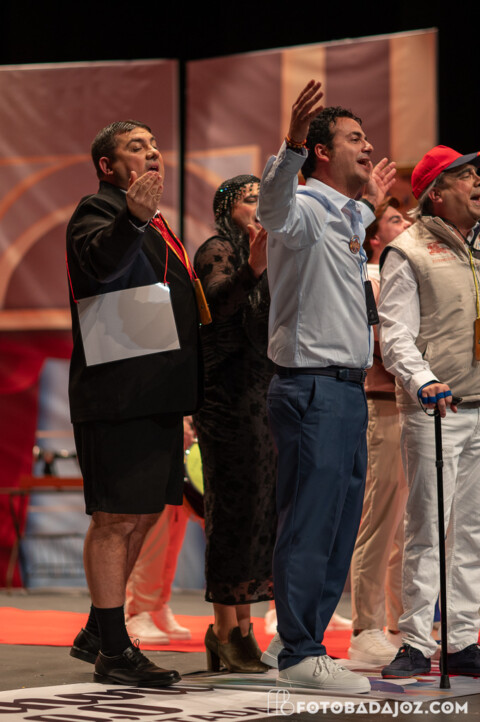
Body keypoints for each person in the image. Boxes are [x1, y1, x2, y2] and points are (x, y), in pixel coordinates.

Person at [257, 80, 396, 692]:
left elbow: (354, 217)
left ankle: (297, 638)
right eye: (355, 138)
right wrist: (289, 143)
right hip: (311, 386)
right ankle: (299, 651)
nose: (368, 147)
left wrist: (371, 202)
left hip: (344, 388)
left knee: (337, 524)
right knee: (311, 522)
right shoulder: (303, 209)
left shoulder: (345, 215)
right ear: (320, 151)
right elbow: (271, 208)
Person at [66, 121, 201, 686]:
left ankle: (98, 628)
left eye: (154, 145)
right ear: (107, 165)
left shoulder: (154, 222)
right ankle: (114, 651)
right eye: (136, 147)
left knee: (145, 513)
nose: (152, 153)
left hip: (158, 389)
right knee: (115, 517)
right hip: (117, 391)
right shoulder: (97, 211)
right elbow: (100, 266)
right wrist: (134, 220)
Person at [379, 145, 480, 678]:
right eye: (464, 176)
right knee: (427, 527)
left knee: (471, 531)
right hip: (435, 409)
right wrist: (424, 383)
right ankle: (416, 642)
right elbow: (395, 335)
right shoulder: (408, 249)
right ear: (435, 193)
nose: (477, 182)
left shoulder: (479, 246)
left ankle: (462, 641)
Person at [193, 174, 276, 674]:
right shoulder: (217, 249)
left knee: (258, 514)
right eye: (249, 199)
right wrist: (254, 268)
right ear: (227, 210)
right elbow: (217, 306)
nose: (259, 206)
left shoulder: (266, 252)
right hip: (225, 398)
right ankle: (224, 629)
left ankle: (244, 629)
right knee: (231, 512)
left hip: (262, 393)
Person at [348, 198, 411, 666]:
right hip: (383, 403)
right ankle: (365, 625)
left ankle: (401, 621)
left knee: (409, 524)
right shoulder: (369, 275)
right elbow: (378, 341)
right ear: (374, 236)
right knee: (380, 519)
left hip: (414, 406)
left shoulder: (403, 273)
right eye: (394, 219)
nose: (405, 223)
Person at [125, 418, 195, 644]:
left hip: (180, 437)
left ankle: (157, 604)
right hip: (152, 430)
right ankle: (137, 610)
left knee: (174, 526)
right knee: (152, 529)